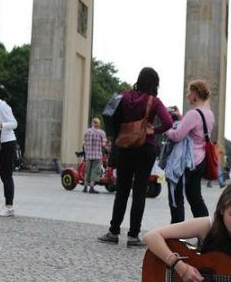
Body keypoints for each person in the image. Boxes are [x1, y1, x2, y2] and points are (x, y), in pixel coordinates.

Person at [98, 67, 173, 247]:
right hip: (146, 148)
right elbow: (168, 122)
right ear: (155, 83)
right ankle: (133, 236)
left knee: (122, 190)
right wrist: (153, 130)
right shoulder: (154, 101)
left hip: (124, 146)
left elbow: (112, 117)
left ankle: (113, 231)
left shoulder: (124, 97)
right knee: (139, 192)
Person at [163, 80, 216, 220]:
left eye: (189, 92)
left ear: (195, 94)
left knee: (176, 198)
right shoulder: (209, 114)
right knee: (195, 198)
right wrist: (180, 117)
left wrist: (165, 127)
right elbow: (196, 130)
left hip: (186, 161)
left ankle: (177, 234)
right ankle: (205, 232)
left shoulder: (193, 114)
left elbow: (176, 136)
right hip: (200, 160)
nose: (187, 96)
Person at [0, 83, 18, 216]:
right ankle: (7, 204)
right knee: (3, 174)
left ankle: (9, 206)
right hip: (0, 143)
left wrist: (0, 124)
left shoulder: (3, 105)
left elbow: (14, 124)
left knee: (7, 175)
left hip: (8, 143)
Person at [82, 117, 107, 194]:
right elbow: (103, 145)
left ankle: (85, 187)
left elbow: (83, 144)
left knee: (87, 171)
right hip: (97, 155)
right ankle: (91, 188)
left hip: (88, 155)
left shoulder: (86, 132)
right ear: (98, 124)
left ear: (92, 123)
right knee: (95, 171)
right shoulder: (101, 133)